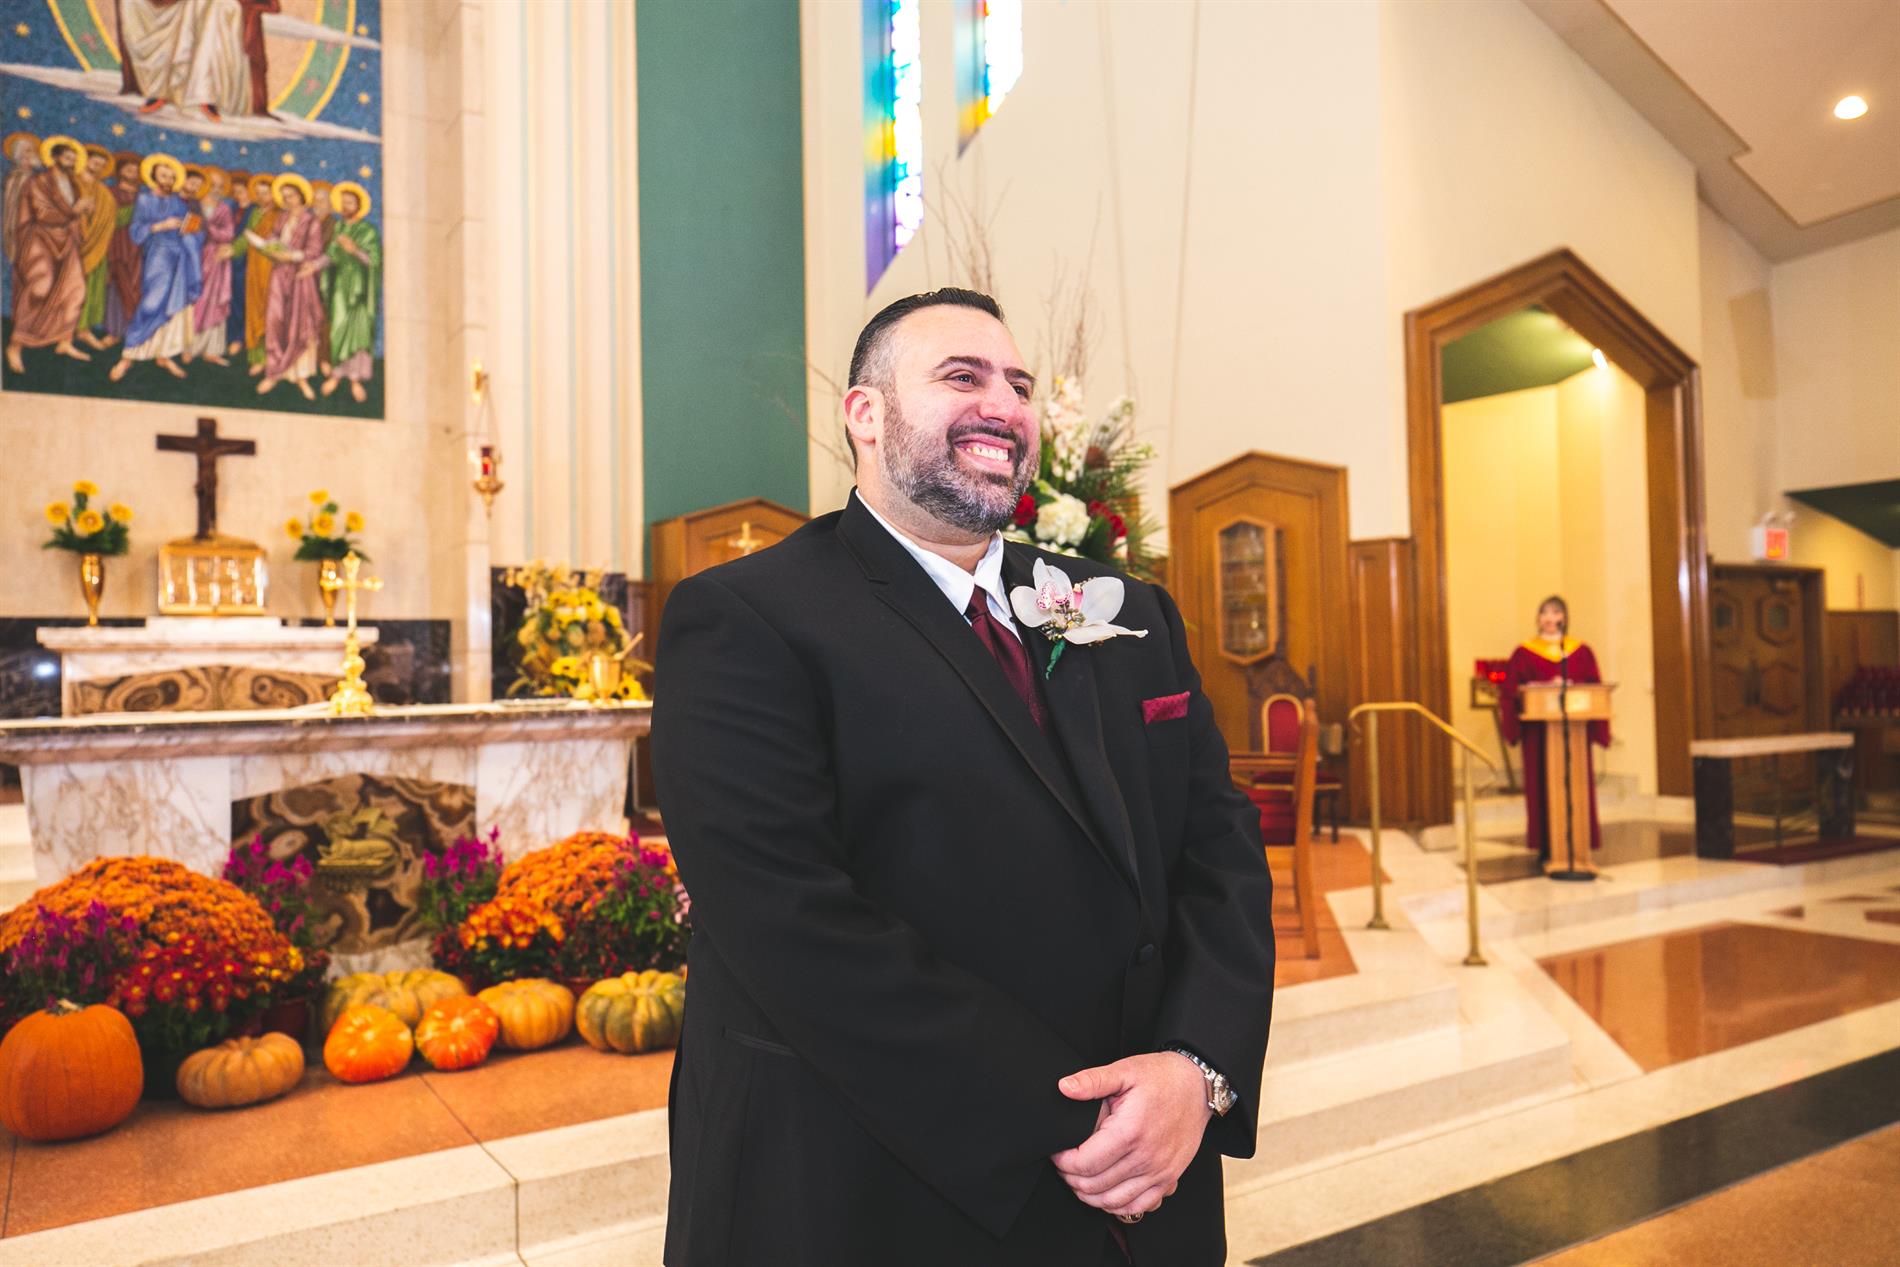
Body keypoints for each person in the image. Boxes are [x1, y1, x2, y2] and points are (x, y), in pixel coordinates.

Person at [650, 288, 1277, 1266]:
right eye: (962, 376)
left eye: (1019, 385)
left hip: (1149, 1172)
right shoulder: (747, 619)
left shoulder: (1124, 610)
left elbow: (1219, 846)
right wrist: (1072, 1116)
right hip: (879, 1183)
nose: (1004, 405)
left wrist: (1196, 1071)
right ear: (865, 414)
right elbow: (788, 918)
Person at [1498, 595, 1610, 866]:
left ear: (1564, 618)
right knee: (1542, 784)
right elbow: (1510, 690)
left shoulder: (1580, 651)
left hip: (1574, 729)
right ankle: (1548, 844)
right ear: (1537, 619)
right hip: (1539, 733)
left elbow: (1595, 686)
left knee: (1576, 782)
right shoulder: (1524, 652)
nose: (1550, 618)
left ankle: (1579, 842)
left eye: (1556, 612)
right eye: (1544, 613)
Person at [107, 153, 202, 382]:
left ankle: (163, 354)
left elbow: (193, 230)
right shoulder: (144, 200)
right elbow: (136, 231)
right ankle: (128, 355)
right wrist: (160, 226)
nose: (168, 180)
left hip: (180, 256)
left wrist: (190, 230)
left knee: (173, 306)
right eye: (163, 175)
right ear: (154, 177)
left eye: (171, 176)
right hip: (158, 255)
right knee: (151, 303)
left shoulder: (178, 202)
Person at [6, 137, 93, 373]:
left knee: (75, 290)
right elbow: (43, 213)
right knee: (39, 288)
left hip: (67, 240)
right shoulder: (39, 182)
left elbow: (78, 213)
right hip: (40, 239)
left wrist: (84, 213)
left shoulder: (73, 184)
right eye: (67, 158)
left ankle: (64, 340)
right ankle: (15, 345)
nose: (71, 162)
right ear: (54, 158)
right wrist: (75, 210)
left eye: (74, 159)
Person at [253, 172, 327, 398]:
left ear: (301, 196)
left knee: (299, 324)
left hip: (300, 278)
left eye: (291, 196)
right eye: (284, 197)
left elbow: (314, 251)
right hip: (279, 275)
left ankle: (301, 377)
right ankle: (274, 372)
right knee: (275, 321)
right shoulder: (282, 218)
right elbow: (274, 237)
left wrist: (292, 256)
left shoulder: (311, 221)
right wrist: (269, 246)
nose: (287, 201)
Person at [320, 181, 379, 402]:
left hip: (360, 289)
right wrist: (313, 266)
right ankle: (337, 374)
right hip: (340, 287)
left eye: (350, 203)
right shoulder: (339, 229)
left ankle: (355, 379)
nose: (346, 207)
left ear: (359, 206)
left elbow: (373, 260)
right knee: (338, 328)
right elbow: (331, 255)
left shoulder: (368, 231)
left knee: (358, 331)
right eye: (343, 203)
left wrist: (354, 250)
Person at [186, 167, 237, 365]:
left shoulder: (224, 209)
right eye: (212, 184)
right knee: (194, 302)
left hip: (216, 261)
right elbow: (188, 230)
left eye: (220, 186)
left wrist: (209, 228)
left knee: (214, 303)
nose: (216, 189)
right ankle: (189, 347)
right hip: (195, 257)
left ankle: (211, 350)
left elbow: (228, 234)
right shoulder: (194, 205)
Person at [73, 145, 120, 350]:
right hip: (72, 245)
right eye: (95, 162)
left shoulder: (104, 193)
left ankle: (83, 330)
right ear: (84, 160)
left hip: (98, 247)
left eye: (102, 165)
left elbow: (113, 219)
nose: (98, 167)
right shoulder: (72, 183)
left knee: (93, 290)